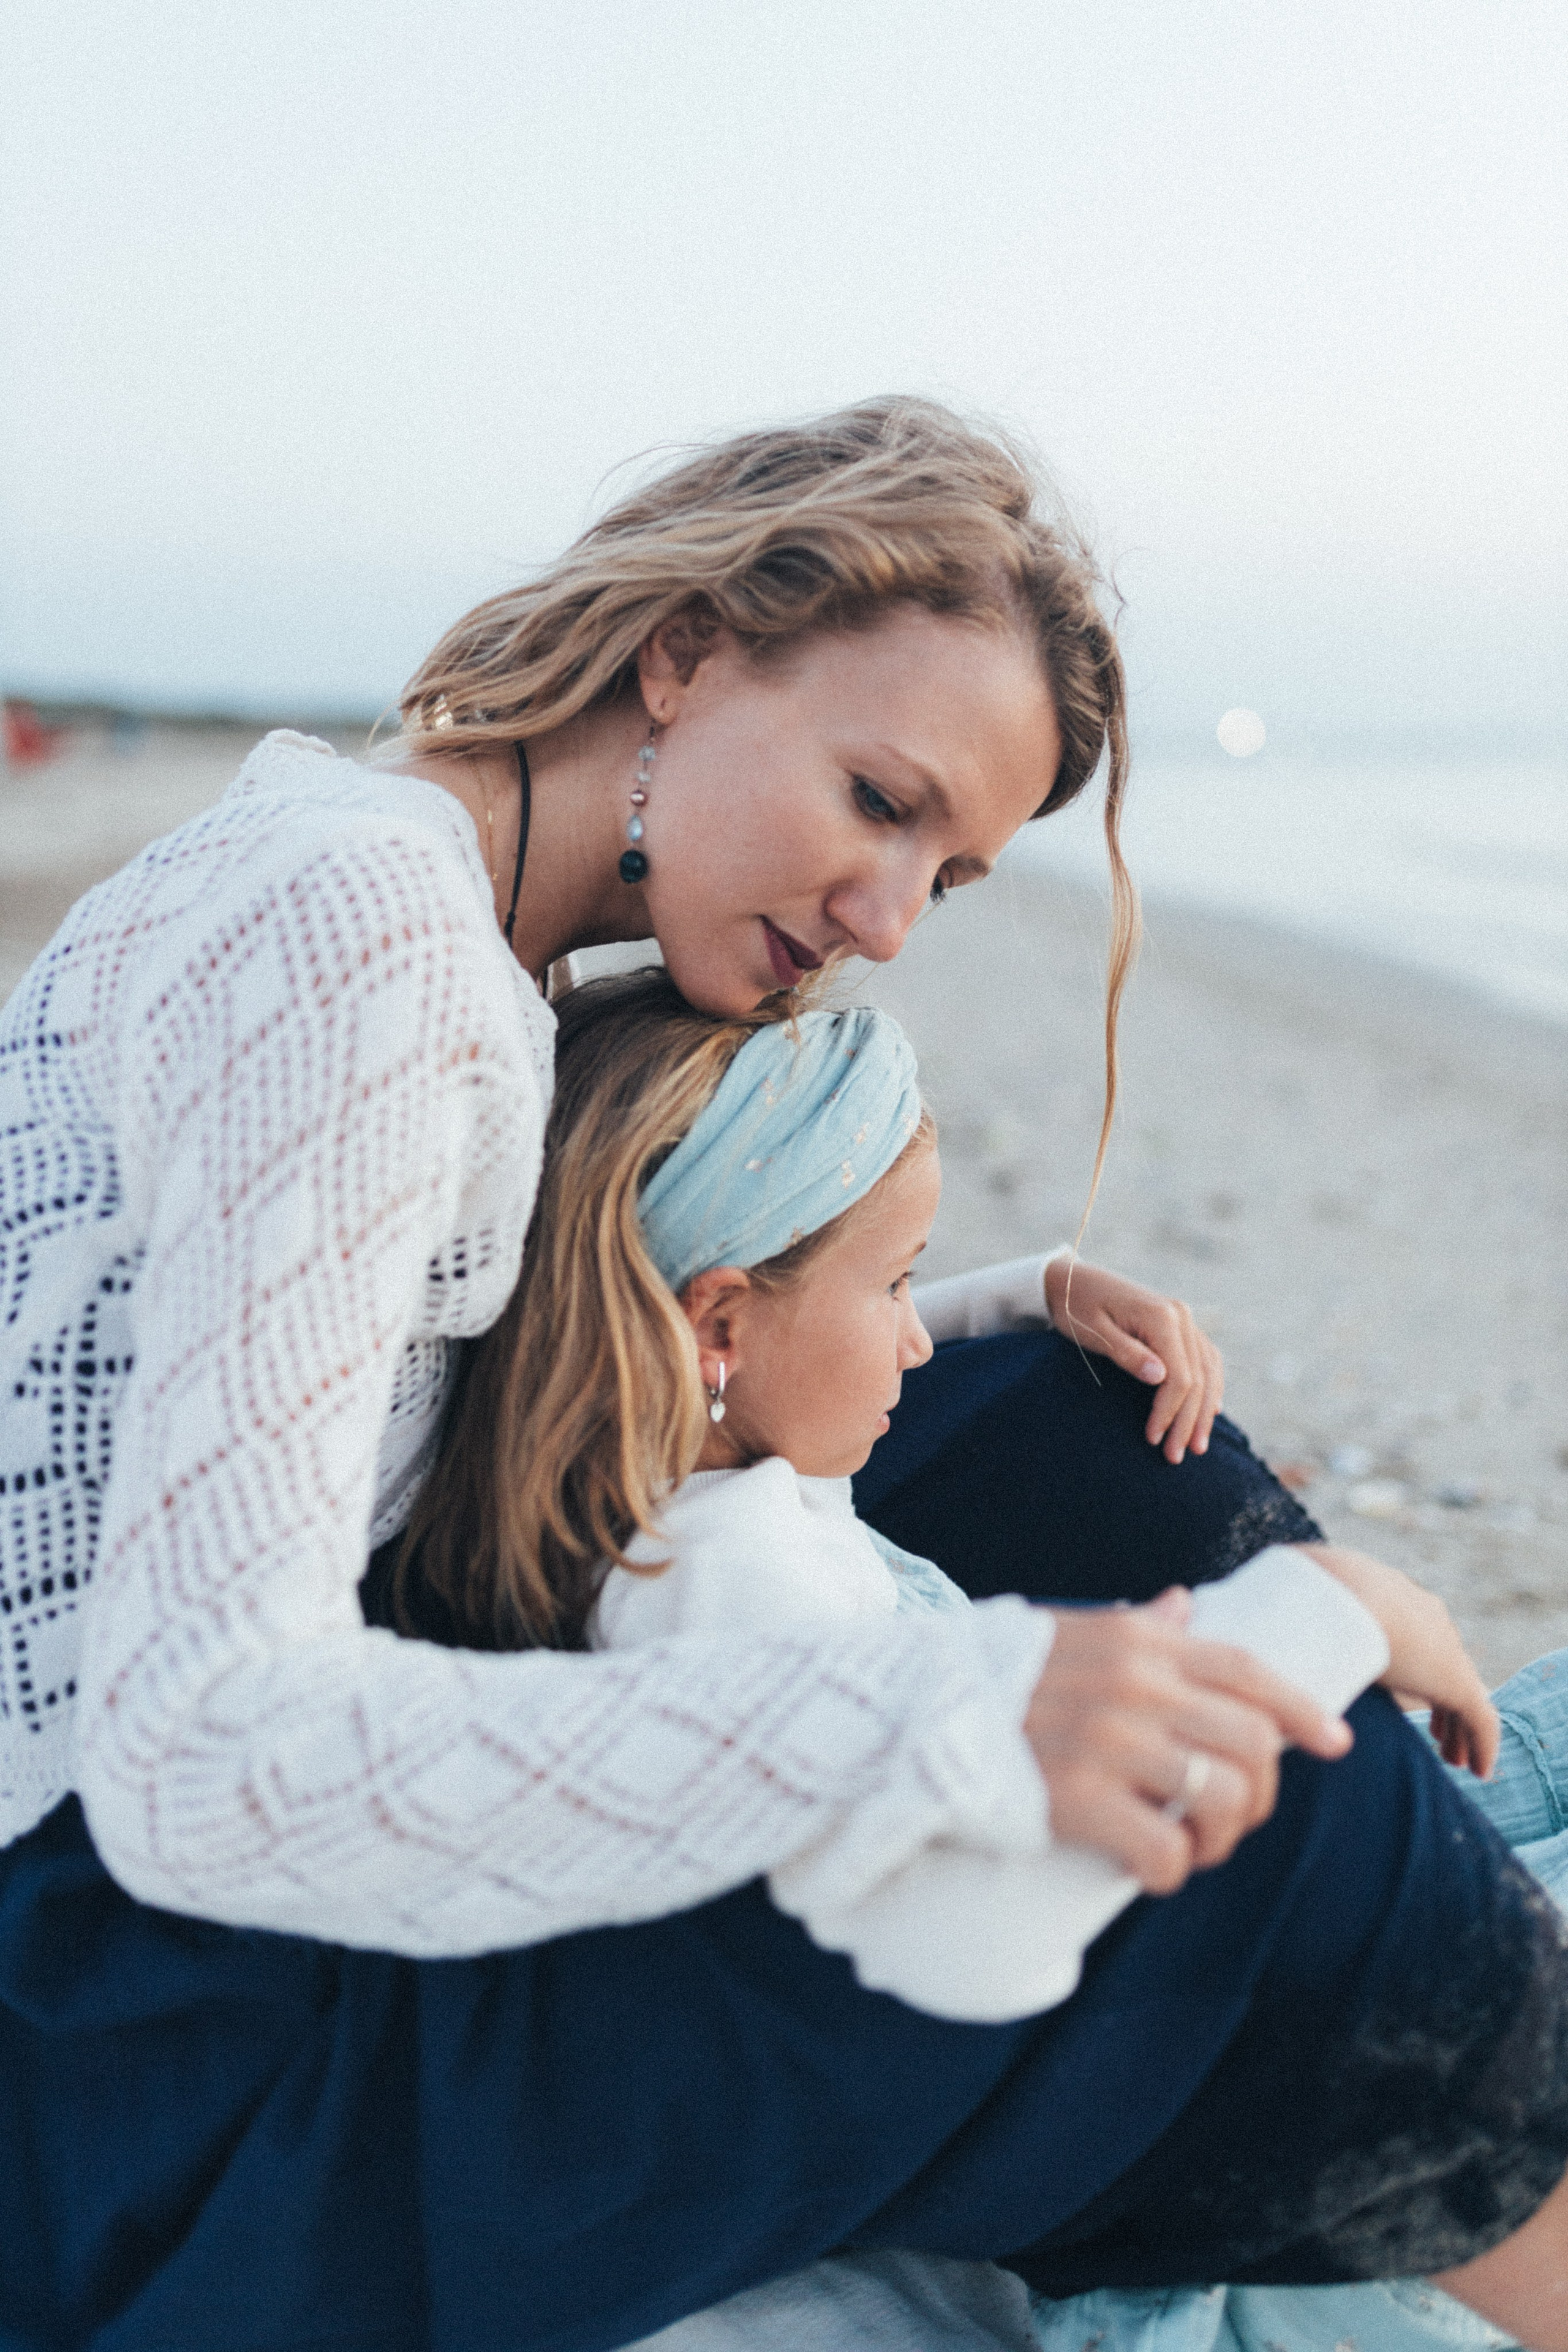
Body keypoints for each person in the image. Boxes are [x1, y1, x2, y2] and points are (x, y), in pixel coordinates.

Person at [2, 398, 1566, 2352]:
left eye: (958, 874)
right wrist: (942, 1710)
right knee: (1257, 1846)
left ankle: (1410, 1866)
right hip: (157, 2050)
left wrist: (949, 1311)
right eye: (879, 800)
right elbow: (201, 1768)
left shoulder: (452, 897)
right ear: (686, 652)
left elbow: (463, 1359)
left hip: (190, 1888)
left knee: (1059, 1434)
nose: (889, 921)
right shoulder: (366, 943)